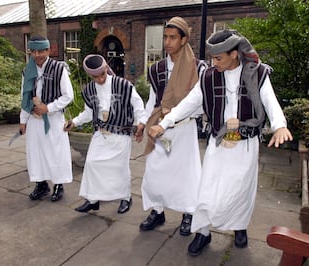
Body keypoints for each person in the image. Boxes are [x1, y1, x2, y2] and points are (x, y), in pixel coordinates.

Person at [148, 29, 293, 256]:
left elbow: (270, 101)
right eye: (212, 58)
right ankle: (203, 233)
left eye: (219, 58)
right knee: (207, 191)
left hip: (245, 146)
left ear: (234, 53)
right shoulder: (208, 77)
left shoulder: (257, 73)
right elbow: (189, 103)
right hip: (218, 144)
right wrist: (164, 124)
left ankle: (239, 226)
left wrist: (279, 125)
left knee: (240, 191)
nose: (213, 63)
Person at [139, 16, 206, 236]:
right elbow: (153, 100)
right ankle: (157, 212)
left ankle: (188, 214)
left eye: (173, 37)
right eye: (165, 37)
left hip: (184, 128)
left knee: (186, 174)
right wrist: (143, 122)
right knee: (155, 171)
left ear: (184, 39)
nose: (167, 42)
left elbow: (199, 102)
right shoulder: (156, 68)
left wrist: (174, 116)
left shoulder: (199, 68)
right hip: (158, 127)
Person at [64, 54, 146, 214]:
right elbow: (88, 113)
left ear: (106, 69)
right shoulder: (88, 90)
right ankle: (93, 200)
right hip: (101, 133)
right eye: (95, 76)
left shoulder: (123, 85)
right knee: (92, 164)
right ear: (90, 75)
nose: (100, 79)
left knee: (119, 168)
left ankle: (125, 198)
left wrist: (141, 123)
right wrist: (74, 122)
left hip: (121, 133)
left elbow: (137, 104)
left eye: (102, 74)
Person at [20, 35, 74, 202]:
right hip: (34, 120)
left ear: (48, 50)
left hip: (53, 119)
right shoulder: (27, 71)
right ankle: (41, 184)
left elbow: (68, 96)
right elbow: (24, 96)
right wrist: (23, 120)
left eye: (41, 51)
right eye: (33, 51)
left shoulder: (59, 69)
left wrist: (48, 108)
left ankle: (58, 185)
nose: (37, 55)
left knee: (56, 153)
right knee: (35, 153)